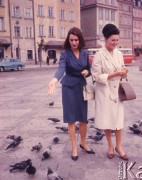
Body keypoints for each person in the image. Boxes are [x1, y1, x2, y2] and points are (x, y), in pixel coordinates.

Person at [48, 27, 95, 161]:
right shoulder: (65, 54)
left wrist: (87, 72)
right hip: (68, 88)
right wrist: (54, 79)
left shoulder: (85, 54)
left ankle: (83, 143)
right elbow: (61, 69)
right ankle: (74, 146)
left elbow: (89, 69)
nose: (74, 42)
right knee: (71, 119)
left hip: (81, 87)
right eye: (71, 40)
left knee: (83, 118)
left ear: (80, 40)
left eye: (76, 39)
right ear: (68, 41)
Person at [91, 24, 129, 160]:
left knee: (119, 121)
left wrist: (124, 73)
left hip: (117, 92)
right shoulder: (98, 56)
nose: (115, 43)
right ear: (105, 39)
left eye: (117, 40)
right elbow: (95, 77)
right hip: (105, 92)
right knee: (107, 121)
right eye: (113, 40)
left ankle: (119, 146)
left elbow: (122, 72)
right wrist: (114, 74)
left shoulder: (119, 54)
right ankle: (110, 146)